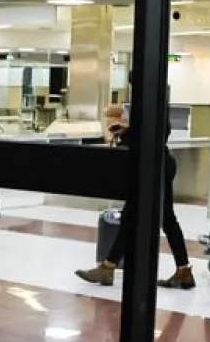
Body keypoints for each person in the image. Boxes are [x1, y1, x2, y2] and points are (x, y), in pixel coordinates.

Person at [74, 102, 193, 289]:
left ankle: (108, 267)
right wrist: (128, 129)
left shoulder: (149, 95)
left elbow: (155, 133)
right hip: (160, 162)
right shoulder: (152, 97)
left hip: (154, 165)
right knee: (167, 219)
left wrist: (128, 133)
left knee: (132, 215)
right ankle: (183, 270)